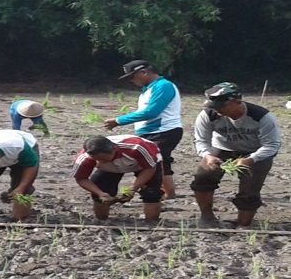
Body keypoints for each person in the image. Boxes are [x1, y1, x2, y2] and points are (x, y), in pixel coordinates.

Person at [192, 82, 282, 227]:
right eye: (213, 106)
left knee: (250, 189)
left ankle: (243, 222)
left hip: (255, 152)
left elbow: (272, 145)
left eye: (221, 106)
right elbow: (201, 140)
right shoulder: (208, 115)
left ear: (237, 101)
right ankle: (207, 217)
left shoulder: (261, 117)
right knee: (203, 177)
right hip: (222, 149)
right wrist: (207, 156)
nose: (217, 110)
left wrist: (251, 159)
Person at [104, 60, 182, 199]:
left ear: (144, 72)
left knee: (155, 163)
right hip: (152, 132)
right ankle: (166, 195)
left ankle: (163, 195)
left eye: (132, 77)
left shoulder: (163, 86)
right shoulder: (149, 90)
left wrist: (118, 121)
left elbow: (151, 112)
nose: (131, 81)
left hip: (162, 131)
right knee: (160, 161)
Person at [72, 135, 163, 223]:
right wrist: (100, 193)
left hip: (147, 163)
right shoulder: (85, 158)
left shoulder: (136, 148)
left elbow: (150, 168)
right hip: (109, 168)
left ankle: (151, 223)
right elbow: (81, 178)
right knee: (100, 188)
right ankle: (101, 220)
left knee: (151, 192)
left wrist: (133, 188)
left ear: (113, 150)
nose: (100, 161)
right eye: (97, 159)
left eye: (103, 159)